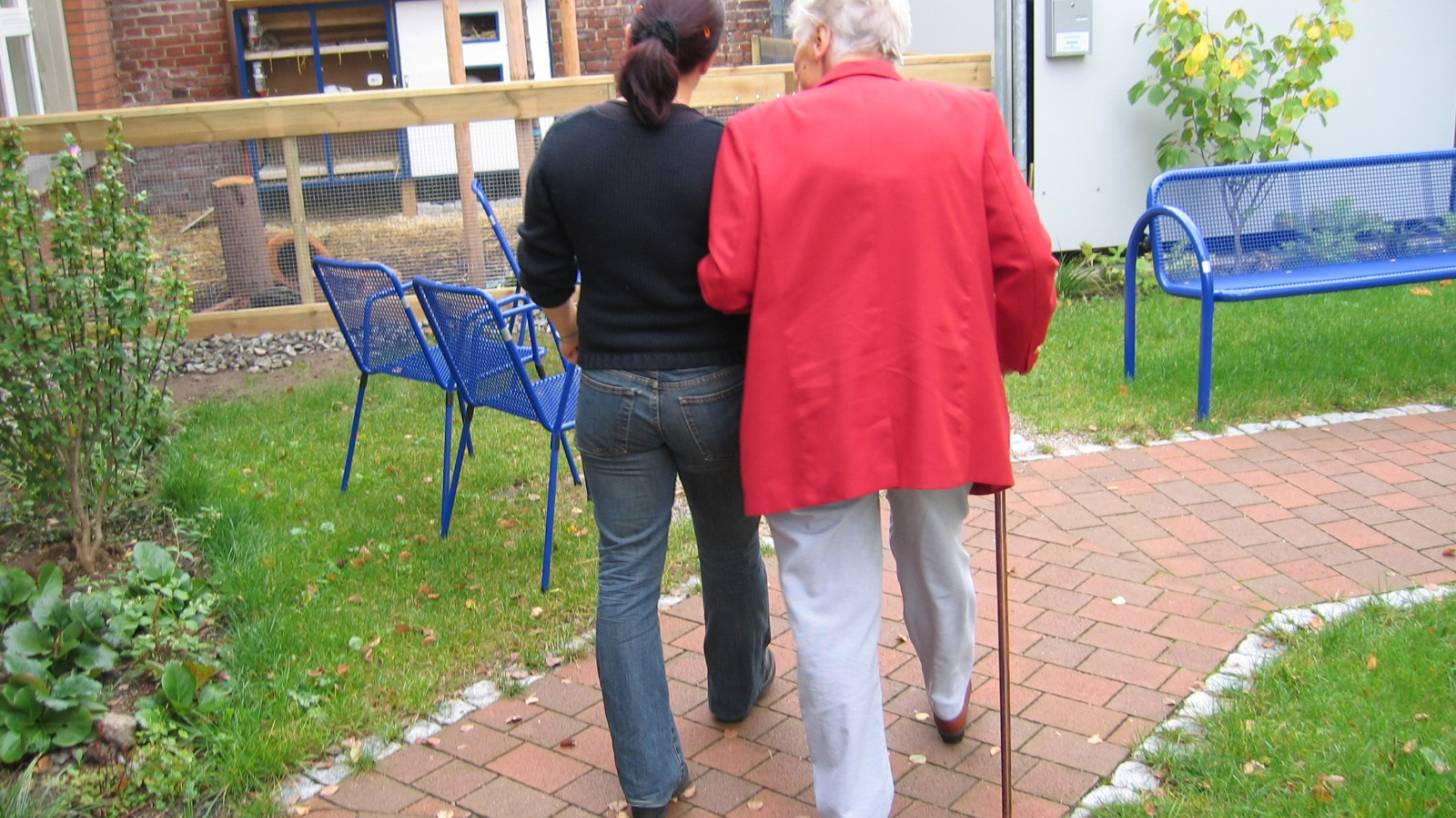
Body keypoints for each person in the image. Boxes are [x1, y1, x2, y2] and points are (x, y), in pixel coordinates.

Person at [696, 0, 1058, 814]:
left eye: (798, 42)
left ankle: (856, 801)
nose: (796, 59)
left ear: (822, 38)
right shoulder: (968, 119)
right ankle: (951, 687)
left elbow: (726, 281)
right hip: (937, 396)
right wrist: (1009, 352)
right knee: (936, 548)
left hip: (810, 410)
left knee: (829, 611)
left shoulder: (756, 135)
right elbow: (1030, 261)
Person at [516, 1, 774, 815]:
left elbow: (544, 271)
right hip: (714, 391)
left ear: (628, 45)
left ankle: (652, 783)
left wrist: (572, 335)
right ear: (711, 58)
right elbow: (755, 271)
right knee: (732, 551)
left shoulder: (568, 143)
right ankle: (737, 689)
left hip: (613, 393)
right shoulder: (726, 149)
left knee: (625, 578)